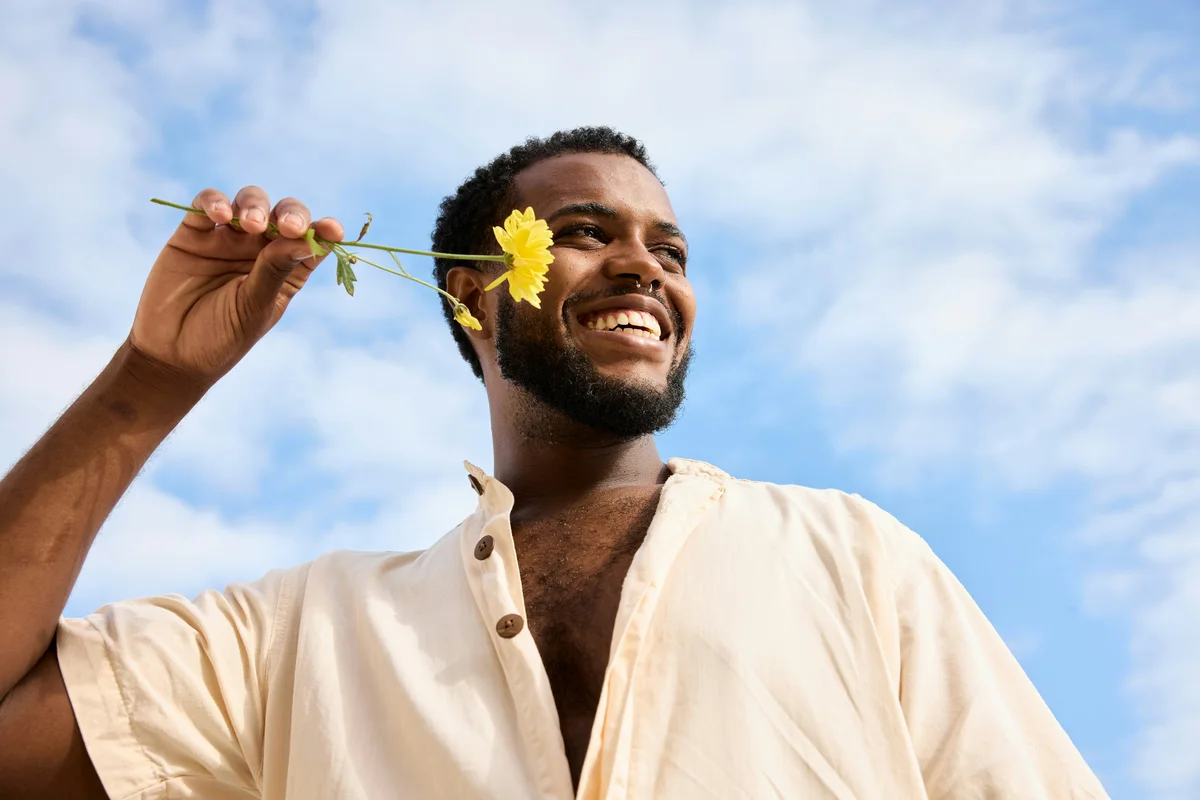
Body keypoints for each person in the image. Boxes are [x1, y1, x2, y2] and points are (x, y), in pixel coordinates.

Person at [0, 127, 1108, 799]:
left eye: (670, 249)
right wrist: (151, 377)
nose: (644, 267)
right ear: (472, 290)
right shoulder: (302, 632)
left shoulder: (853, 554)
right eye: (586, 229)